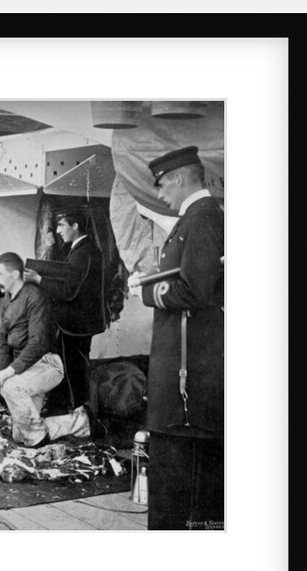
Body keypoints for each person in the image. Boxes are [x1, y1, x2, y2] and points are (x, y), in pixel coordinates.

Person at [128, 145, 224, 531]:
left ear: (181, 178)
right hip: (182, 376)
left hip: (187, 383)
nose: (161, 193)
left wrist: (146, 291)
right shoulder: (196, 219)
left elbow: (194, 291)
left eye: (163, 185)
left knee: (179, 490)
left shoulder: (201, 219)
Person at [24, 206, 106, 411]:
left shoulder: (81, 253)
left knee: (73, 369)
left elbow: (68, 291)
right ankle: (74, 408)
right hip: (81, 323)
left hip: (75, 325)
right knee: (75, 367)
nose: (59, 231)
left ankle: (76, 410)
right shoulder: (84, 249)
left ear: (75, 225)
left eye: (61, 225)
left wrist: (38, 279)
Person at [0, 253, 64, 446]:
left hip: (47, 365)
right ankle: (79, 422)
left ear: (15, 274)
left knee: (10, 386)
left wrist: (8, 372)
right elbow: (3, 343)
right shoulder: (7, 301)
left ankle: (39, 438)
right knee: (20, 436)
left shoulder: (35, 297)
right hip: (25, 370)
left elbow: (38, 344)